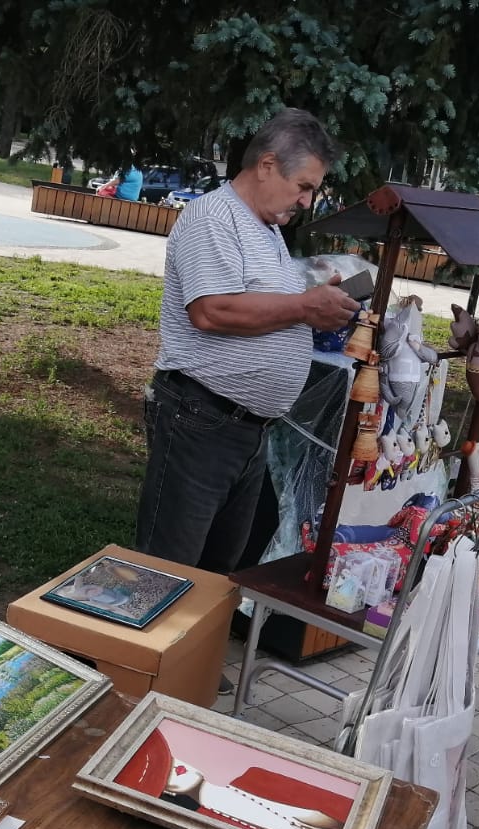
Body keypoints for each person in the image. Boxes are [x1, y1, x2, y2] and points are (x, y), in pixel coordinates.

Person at [134, 107, 359, 573]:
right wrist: (303, 307)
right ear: (267, 165)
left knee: (216, 575)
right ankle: (130, 648)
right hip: (201, 420)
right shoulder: (214, 217)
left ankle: (192, 647)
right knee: (165, 572)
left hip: (247, 429)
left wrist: (315, 304)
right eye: (304, 186)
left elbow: (262, 309)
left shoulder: (268, 230)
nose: (305, 202)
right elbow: (212, 311)